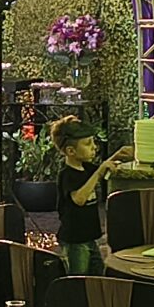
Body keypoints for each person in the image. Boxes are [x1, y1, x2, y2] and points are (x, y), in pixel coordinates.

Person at [51, 117, 134, 274]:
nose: (94, 147)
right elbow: (79, 199)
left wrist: (117, 156)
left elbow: (100, 169)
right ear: (71, 151)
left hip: (89, 237)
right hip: (75, 240)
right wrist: (99, 172)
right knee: (79, 278)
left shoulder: (87, 168)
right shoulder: (67, 175)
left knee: (98, 274)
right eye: (88, 144)